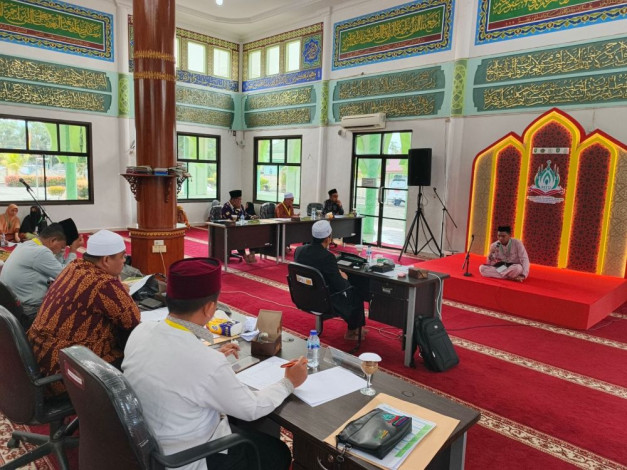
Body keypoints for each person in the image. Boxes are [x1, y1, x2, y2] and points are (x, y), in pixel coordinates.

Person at [123, 257, 308, 470]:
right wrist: (289, 382)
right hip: (190, 458)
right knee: (278, 452)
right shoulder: (206, 362)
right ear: (210, 308)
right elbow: (252, 409)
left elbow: (170, 363)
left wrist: (210, 356)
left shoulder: (141, 331)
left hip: (149, 448)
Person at [28, 230, 140, 394]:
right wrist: (120, 291)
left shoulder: (74, 266)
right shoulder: (103, 283)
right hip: (67, 370)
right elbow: (133, 321)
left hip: (40, 358)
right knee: (138, 356)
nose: (124, 261)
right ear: (106, 260)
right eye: (122, 256)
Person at [294, 220, 366, 340]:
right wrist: (344, 278)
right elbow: (340, 286)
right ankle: (352, 332)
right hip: (324, 300)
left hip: (303, 296)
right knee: (356, 292)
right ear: (328, 238)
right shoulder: (327, 257)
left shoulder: (299, 250)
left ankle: (356, 329)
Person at [0, 222, 83, 323]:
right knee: (76, 309)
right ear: (53, 240)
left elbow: (57, 267)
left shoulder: (28, 244)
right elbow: (67, 274)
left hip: (13, 307)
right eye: (62, 247)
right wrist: (73, 251)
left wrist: (60, 251)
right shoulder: (41, 252)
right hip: (29, 312)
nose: (62, 250)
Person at [222, 189, 257, 263]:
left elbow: (245, 215)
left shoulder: (240, 206)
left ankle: (252, 254)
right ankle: (245, 256)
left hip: (241, 229)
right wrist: (237, 210)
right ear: (233, 200)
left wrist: (252, 217)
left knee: (253, 234)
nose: (240, 201)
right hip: (229, 231)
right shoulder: (226, 207)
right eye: (239, 200)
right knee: (239, 237)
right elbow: (231, 218)